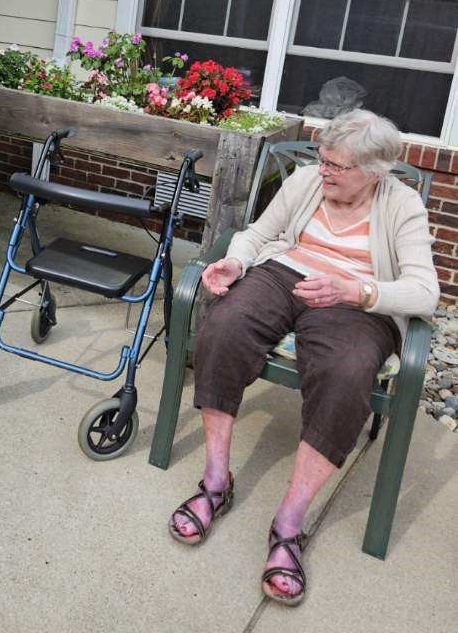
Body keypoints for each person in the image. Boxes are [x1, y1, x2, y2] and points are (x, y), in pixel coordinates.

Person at [167, 110, 439, 605]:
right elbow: (257, 232)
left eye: (337, 165)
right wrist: (237, 260)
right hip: (283, 273)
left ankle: (289, 523)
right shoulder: (306, 181)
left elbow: (425, 292)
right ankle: (214, 482)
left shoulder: (402, 207)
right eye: (322, 158)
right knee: (224, 328)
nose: (324, 171)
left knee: (346, 372)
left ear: (375, 172)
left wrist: (356, 290)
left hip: (352, 299)